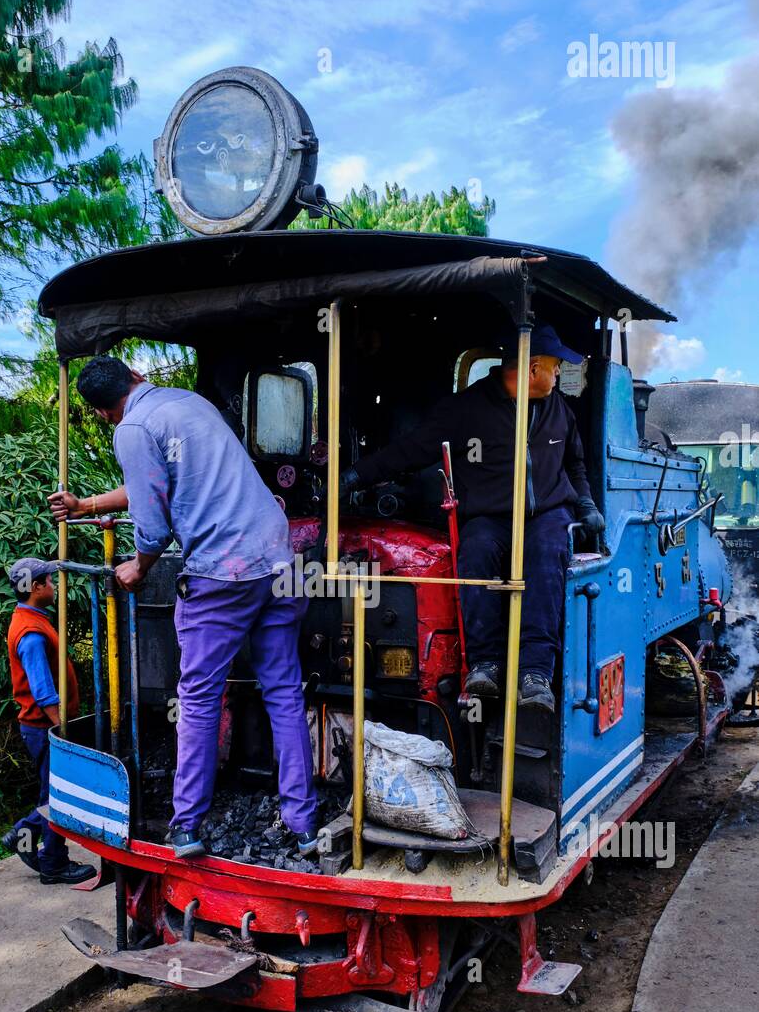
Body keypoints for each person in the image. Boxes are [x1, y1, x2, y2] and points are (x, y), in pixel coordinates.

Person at [49, 358, 319, 859]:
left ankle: (188, 826)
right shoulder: (188, 404)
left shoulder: (131, 429)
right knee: (284, 691)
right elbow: (160, 483)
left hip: (222, 571)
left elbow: (151, 523)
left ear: (104, 412)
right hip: (278, 560)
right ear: (135, 376)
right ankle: (304, 826)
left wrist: (138, 566)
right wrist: (87, 505)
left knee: (197, 697)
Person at [341, 325, 605, 713]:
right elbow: (410, 450)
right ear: (533, 368)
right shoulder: (466, 409)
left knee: (548, 551)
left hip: (547, 514)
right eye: (554, 366)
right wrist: (354, 476)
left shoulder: (558, 410)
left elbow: (575, 464)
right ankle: (485, 665)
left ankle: (535, 673)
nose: (557, 374)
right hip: (489, 515)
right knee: (476, 549)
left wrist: (586, 504)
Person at [4, 557, 96, 885]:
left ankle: (23, 833)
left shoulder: (31, 618)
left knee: (53, 792)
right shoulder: (30, 632)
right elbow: (42, 691)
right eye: (49, 581)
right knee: (56, 796)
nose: (54, 586)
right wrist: (62, 731)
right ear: (36, 587)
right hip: (44, 727)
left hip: (41, 727)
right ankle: (53, 863)